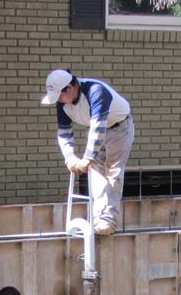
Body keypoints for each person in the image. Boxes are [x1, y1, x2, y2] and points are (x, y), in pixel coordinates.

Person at [41, 69, 134, 235]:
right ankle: (98, 217)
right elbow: (64, 132)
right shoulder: (62, 103)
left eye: (60, 96)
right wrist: (69, 158)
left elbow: (98, 129)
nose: (60, 101)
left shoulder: (96, 91)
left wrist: (87, 158)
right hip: (97, 129)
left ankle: (108, 220)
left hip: (120, 128)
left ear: (69, 88)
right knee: (97, 174)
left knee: (113, 171)